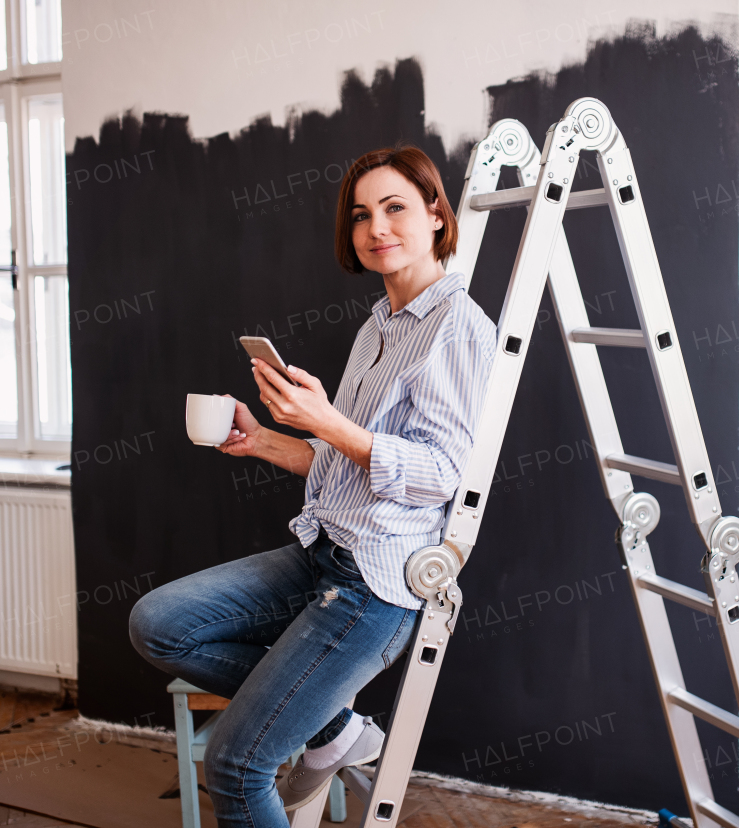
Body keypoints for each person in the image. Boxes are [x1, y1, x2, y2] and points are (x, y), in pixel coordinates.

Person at [128, 145, 496, 828]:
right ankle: (336, 731)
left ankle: (326, 728)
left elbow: (440, 476)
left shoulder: (459, 331)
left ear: (438, 217)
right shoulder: (381, 323)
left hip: (375, 588)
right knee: (158, 625)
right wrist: (265, 439)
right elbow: (348, 466)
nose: (376, 228)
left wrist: (328, 421)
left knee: (236, 766)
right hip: (323, 553)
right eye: (362, 215)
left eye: (395, 208)